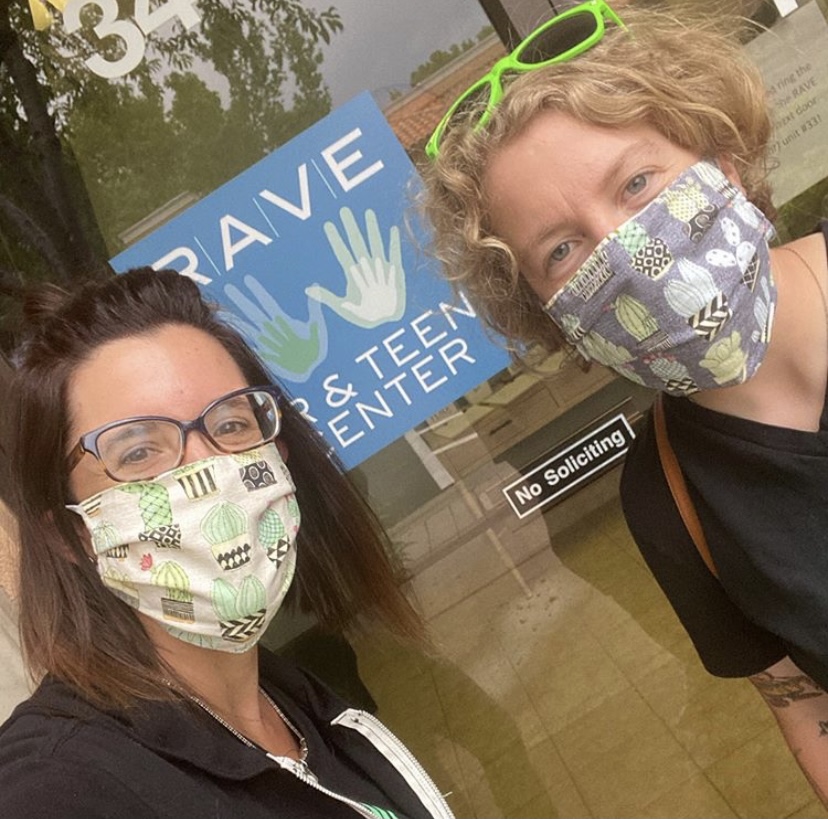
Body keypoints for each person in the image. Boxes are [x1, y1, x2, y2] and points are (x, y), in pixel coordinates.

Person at [420, 0, 828, 803]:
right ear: (548, 312)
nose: (625, 250)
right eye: (563, 248)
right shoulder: (668, 499)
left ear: (723, 156)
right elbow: (808, 710)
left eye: (638, 182)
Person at [0, 267, 454, 819]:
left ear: (279, 458)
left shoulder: (292, 704)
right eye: (139, 452)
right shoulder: (56, 787)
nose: (210, 467)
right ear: (73, 534)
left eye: (233, 424)